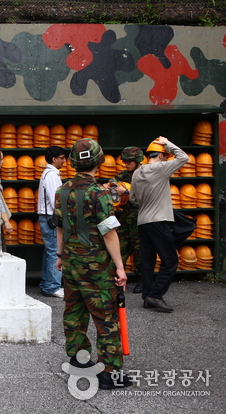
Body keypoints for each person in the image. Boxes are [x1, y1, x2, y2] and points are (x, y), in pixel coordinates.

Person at [53, 138, 130, 390]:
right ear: (99, 160)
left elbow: (60, 228)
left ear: (73, 162)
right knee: (105, 316)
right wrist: (119, 266)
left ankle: (79, 361)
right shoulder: (99, 193)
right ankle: (109, 373)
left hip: (72, 262)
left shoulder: (62, 190)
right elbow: (108, 232)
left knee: (74, 312)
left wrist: (60, 255)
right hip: (96, 264)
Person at [130, 136, 187, 313]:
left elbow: (133, 199)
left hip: (143, 222)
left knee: (148, 261)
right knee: (170, 261)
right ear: (161, 156)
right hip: (158, 221)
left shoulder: (137, 172)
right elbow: (183, 157)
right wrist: (167, 142)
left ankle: (147, 297)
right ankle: (156, 294)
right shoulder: (161, 168)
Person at [107, 147, 144, 294]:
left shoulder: (144, 174)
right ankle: (116, 278)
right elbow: (112, 183)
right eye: (125, 161)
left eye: (129, 161)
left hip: (141, 216)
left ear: (137, 161)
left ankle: (142, 280)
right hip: (126, 216)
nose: (126, 164)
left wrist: (127, 192)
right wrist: (110, 186)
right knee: (120, 246)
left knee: (140, 251)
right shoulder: (125, 174)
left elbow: (147, 193)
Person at [37, 145, 66, 298]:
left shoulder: (48, 174)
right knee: (55, 251)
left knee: (50, 252)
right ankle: (52, 286)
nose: (64, 161)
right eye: (61, 158)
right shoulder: (51, 175)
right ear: (54, 159)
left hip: (47, 217)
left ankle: (47, 284)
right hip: (51, 218)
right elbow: (57, 200)